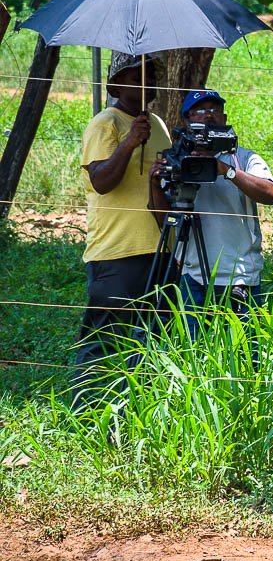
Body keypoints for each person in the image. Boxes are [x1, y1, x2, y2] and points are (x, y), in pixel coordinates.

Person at [73, 52, 171, 405]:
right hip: (117, 250)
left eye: (151, 74)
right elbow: (101, 182)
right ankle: (85, 414)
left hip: (159, 249)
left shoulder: (157, 124)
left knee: (151, 341)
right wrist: (129, 142)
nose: (147, 81)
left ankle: (137, 413)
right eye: (136, 76)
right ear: (115, 85)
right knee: (103, 341)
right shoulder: (106, 123)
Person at [151, 89, 273, 337]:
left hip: (240, 276)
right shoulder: (176, 160)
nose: (208, 115)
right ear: (187, 120)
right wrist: (155, 184)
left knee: (244, 352)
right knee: (193, 350)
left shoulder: (243, 157)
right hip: (193, 275)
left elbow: (270, 194)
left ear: (224, 117)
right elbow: (163, 219)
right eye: (200, 111)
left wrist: (225, 170)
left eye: (214, 110)